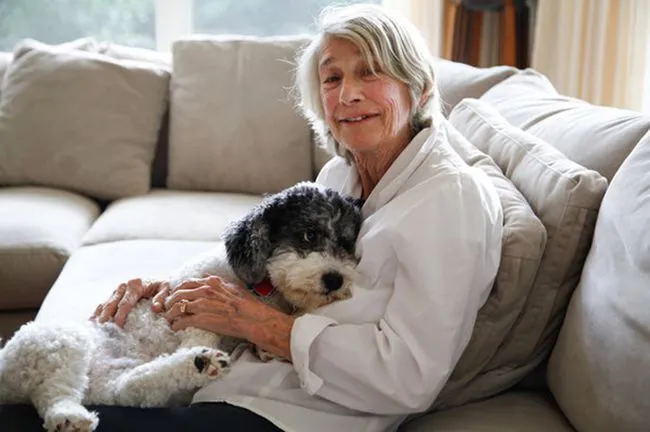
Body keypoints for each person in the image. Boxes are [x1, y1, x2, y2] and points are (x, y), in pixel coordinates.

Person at [0, 3, 503, 432]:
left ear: (419, 87)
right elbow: (276, 274)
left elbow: (410, 379)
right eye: (333, 78)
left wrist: (260, 325)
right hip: (235, 379)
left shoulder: (450, 200)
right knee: (30, 392)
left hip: (294, 414)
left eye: (370, 72)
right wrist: (177, 293)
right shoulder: (341, 174)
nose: (348, 94)